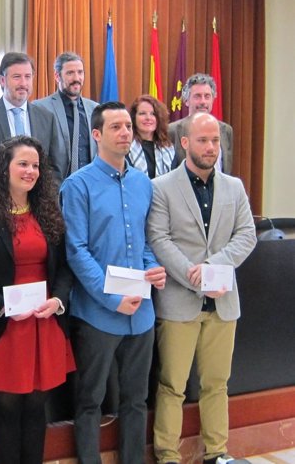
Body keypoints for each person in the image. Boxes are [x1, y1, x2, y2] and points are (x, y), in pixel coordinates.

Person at [147, 113, 257, 464]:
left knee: (217, 384)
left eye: (215, 141)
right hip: (179, 302)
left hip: (223, 303)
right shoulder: (161, 186)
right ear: (185, 143)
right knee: (171, 386)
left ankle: (217, 454)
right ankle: (167, 455)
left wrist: (211, 269)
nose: (211, 148)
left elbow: (247, 235)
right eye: (203, 141)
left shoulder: (234, 187)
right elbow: (158, 238)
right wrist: (192, 275)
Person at [60, 102, 167, 464]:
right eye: (116, 127)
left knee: (136, 399)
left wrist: (154, 270)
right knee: (90, 400)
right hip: (98, 314)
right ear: (96, 135)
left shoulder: (142, 184)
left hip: (142, 313)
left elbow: (147, 241)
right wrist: (112, 297)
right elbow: (76, 251)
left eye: (128, 127)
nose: (125, 133)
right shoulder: (77, 186)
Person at [0, 135, 76, 464]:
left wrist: (58, 301)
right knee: (7, 407)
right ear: (4, 168)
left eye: (35, 165)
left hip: (44, 322)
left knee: (37, 406)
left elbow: (65, 269)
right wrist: (1, 305)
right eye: (22, 163)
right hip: (1, 324)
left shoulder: (48, 212)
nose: (30, 171)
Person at [0, 52, 60, 207]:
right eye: (17, 77)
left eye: (28, 77)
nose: (23, 83)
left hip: (36, 210)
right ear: (2, 80)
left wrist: (50, 207)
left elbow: (52, 169)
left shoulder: (47, 118)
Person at [34, 51, 98, 178]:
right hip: (56, 189)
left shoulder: (95, 109)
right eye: (70, 73)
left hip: (90, 187)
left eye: (80, 72)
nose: (76, 78)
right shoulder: (40, 108)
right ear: (57, 76)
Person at [168, 73, 233, 174]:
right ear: (186, 101)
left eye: (207, 96)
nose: (203, 101)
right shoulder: (172, 130)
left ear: (213, 99)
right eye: (197, 96)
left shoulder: (226, 130)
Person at [127, 94, 176, 178]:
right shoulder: (127, 147)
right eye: (142, 113)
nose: (148, 118)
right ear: (133, 118)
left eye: (153, 114)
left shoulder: (168, 148)